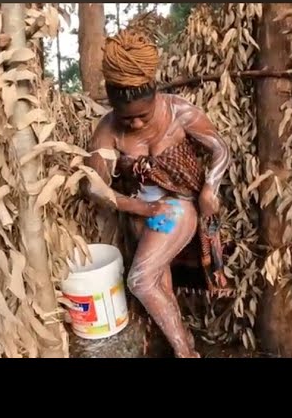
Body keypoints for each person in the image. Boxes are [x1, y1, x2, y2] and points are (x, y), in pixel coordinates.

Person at [81, 28, 231, 358]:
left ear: (155, 97)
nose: (134, 125)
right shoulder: (107, 129)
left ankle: (184, 353)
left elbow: (221, 148)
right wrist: (141, 209)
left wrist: (211, 186)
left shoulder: (178, 112)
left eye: (142, 116)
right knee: (159, 284)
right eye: (126, 118)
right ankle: (187, 347)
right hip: (143, 215)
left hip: (176, 209)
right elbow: (92, 186)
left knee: (140, 280)